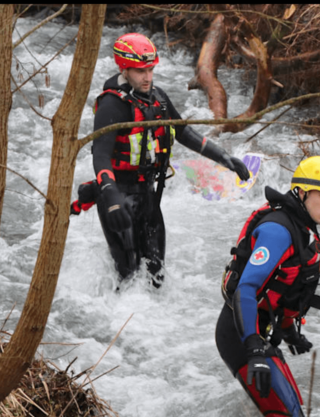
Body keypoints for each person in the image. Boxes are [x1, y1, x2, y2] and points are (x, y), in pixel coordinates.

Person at [70, 33, 249, 288]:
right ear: (124, 68)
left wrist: (223, 157)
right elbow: (100, 155)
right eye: (140, 71)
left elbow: (183, 131)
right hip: (117, 198)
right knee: (129, 276)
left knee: (157, 276)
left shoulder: (159, 98)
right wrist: (110, 196)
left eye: (151, 69)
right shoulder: (112, 105)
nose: (147, 77)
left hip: (149, 197)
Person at [215, 156, 320, 417]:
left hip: (261, 334)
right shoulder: (278, 232)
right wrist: (254, 348)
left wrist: (289, 331)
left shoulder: (304, 228)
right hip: (240, 335)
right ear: (301, 192)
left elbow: (288, 289)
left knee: (296, 416)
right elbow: (246, 289)